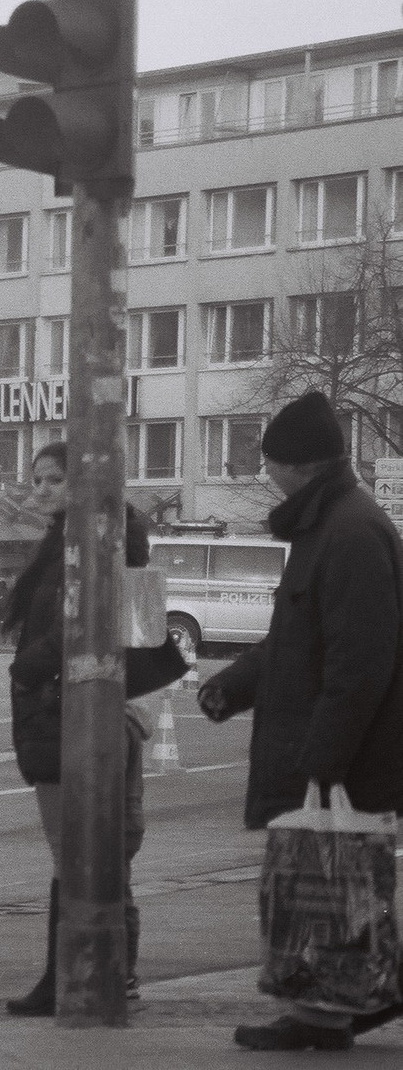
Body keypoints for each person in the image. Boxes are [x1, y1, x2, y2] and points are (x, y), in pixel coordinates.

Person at [197, 391, 403, 1051]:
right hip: (331, 749)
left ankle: (335, 1010)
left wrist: (324, 758)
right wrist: (232, 687)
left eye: (269, 464)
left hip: (347, 757)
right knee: (325, 886)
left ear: (295, 465)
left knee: (330, 886)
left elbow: (359, 663)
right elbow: (297, 643)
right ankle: (339, 1006)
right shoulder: (328, 526)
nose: (265, 476)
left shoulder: (348, 531)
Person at [2, 441, 152, 1017]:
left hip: (76, 710)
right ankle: (75, 974)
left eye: (54, 480)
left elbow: (89, 614)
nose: (40, 490)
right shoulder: (68, 541)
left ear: (83, 485)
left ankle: (91, 976)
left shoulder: (94, 541)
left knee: (84, 853)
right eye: (36, 479)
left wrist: (37, 661)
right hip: (62, 710)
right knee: (85, 853)